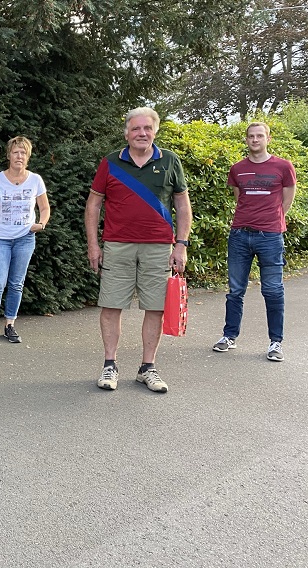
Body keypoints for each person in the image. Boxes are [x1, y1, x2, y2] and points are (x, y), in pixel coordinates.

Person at [84, 107, 192, 394]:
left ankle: (147, 368)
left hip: (159, 247)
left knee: (155, 308)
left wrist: (181, 244)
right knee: (111, 305)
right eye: (135, 128)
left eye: (147, 128)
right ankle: (110, 365)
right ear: (126, 133)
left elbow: (182, 204)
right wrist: (93, 244)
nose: (141, 133)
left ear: (155, 131)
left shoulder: (170, 161)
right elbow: (93, 204)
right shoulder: (110, 162)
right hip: (117, 245)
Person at [212, 122, 296, 361]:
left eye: (260, 136)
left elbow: (287, 199)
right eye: (251, 136)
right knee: (235, 290)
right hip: (240, 235)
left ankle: (275, 342)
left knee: (272, 290)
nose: (255, 139)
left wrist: (272, 220)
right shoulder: (237, 168)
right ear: (246, 139)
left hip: (270, 236)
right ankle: (229, 336)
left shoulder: (283, 166)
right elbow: (240, 199)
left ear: (268, 138)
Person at [0, 136, 51, 344]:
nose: (19, 156)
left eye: (23, 153)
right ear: (9, 155)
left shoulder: (35, 180)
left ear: (28, 157)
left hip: (25, 239)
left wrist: (41, 223)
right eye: (16, 152)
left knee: (17, 284)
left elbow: (45, 207)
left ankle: (9, 324)